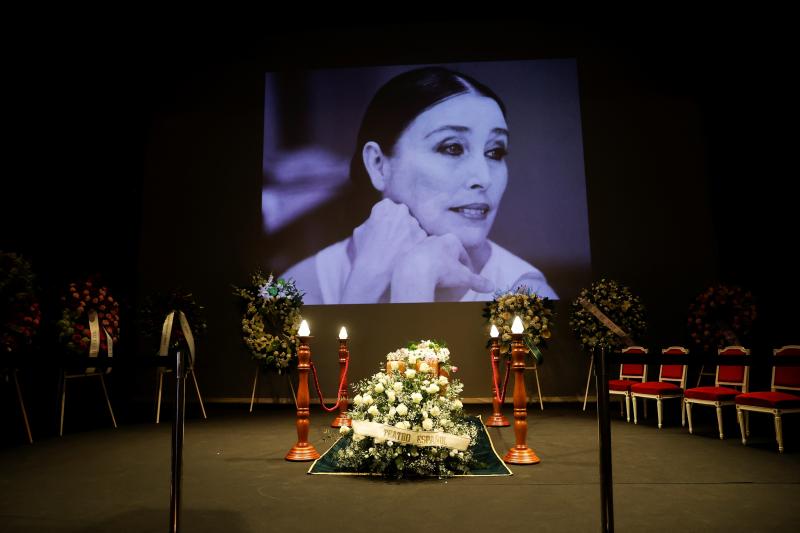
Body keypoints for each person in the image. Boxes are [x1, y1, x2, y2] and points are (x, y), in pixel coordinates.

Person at [281, 66, 557, 304]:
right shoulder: (297, 290)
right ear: (378, 164)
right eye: (452, 148)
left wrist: (416, 274)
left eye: (495, 152)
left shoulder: (526, 296)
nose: (483, 178)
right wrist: (366, 279)